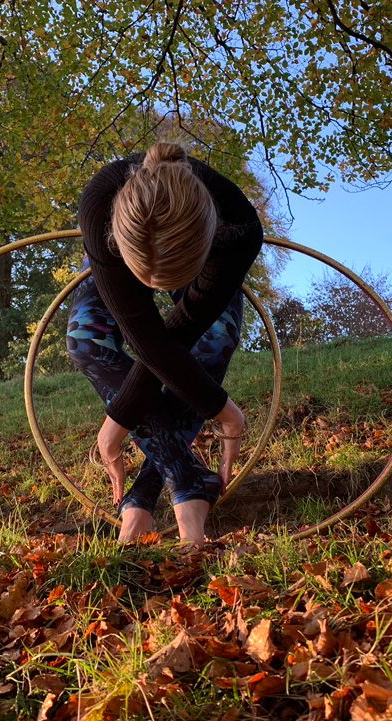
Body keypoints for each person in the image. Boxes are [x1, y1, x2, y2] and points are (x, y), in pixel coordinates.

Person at [66, 142, 263, 546]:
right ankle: (189, 481)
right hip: (116, 242)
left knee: (213, 341)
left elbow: (173, 340)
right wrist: (115, 424)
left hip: (211, 251)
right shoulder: (100, 205)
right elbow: (147, 339)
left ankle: (153, 492)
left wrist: (225, 413)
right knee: (84, 341)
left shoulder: (238, 230)